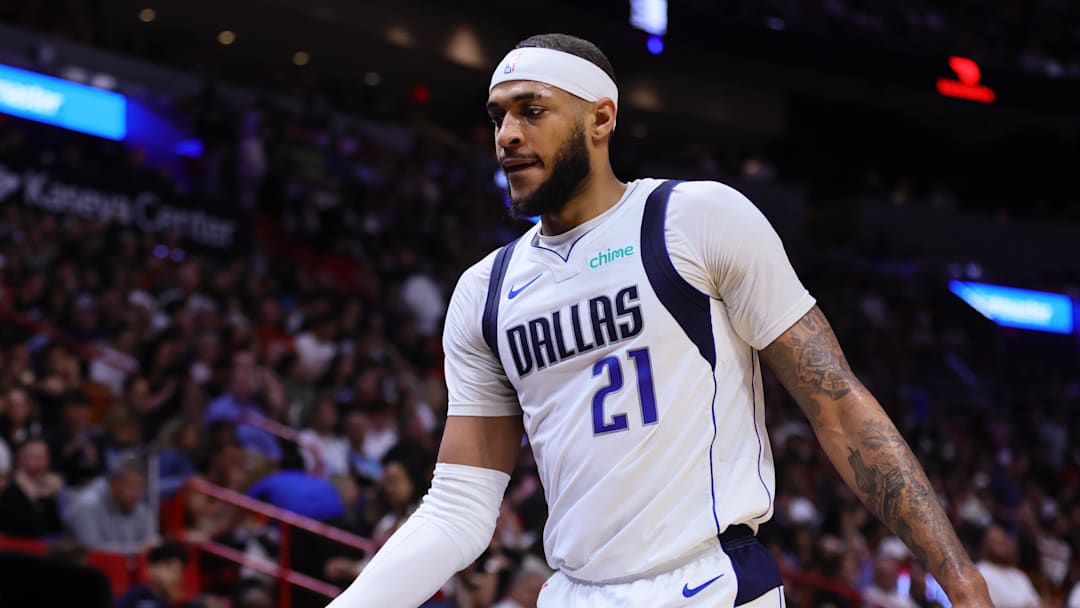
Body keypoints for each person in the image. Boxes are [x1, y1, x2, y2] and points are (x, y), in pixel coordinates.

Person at [328, 34, 993, 607]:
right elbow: (457, 510)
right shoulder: (485, 291)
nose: (507, 134)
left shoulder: (696, 220)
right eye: (499, 115)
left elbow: (839, 407)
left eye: (532, 111)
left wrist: (960, 582)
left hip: (711, 582)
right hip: (575, 592)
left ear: (601, 118)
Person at [116, 541, 189, 608]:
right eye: (169, 568)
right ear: (150, 569)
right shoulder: (135, 595)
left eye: (179, 571)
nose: (175, 576)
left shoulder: (177, 604)